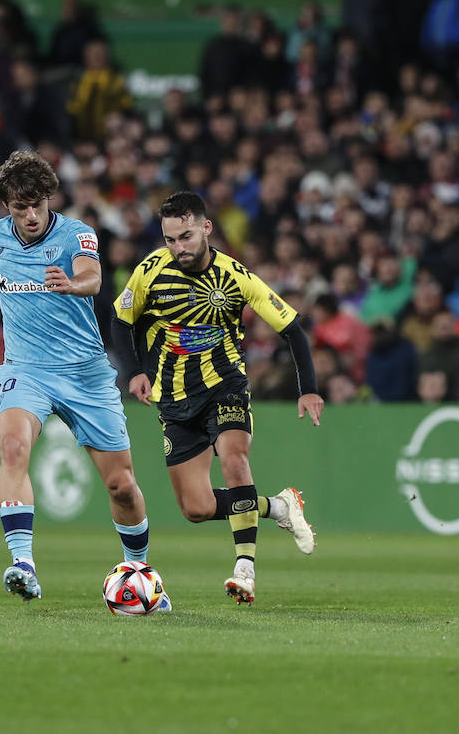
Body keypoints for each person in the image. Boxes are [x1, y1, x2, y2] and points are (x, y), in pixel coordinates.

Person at [0, 150, 163, 609]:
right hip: (26, 370)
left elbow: (93, 277)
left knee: (121, 484)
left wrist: (71, 284)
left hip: (86, 374)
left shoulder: (77, 234)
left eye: (38, 203)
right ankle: (23, 565)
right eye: (21, 207)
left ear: (49, 199)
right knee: (14, 447)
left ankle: (138, 567)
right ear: (6, 206)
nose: (32, 214)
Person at [111, 191, 321, 605]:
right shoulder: (149, 272)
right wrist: (136, 371)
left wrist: (308, 388)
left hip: (225, 385)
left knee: (235, 459)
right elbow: (121, 320)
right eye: (170, 239)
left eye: (185, 236)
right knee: (197, 508)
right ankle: (278, 506)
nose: (178, 247)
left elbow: (292, 328)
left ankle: (245, 568)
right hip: (173, 399)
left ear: (206, 228)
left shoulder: (235, 276)